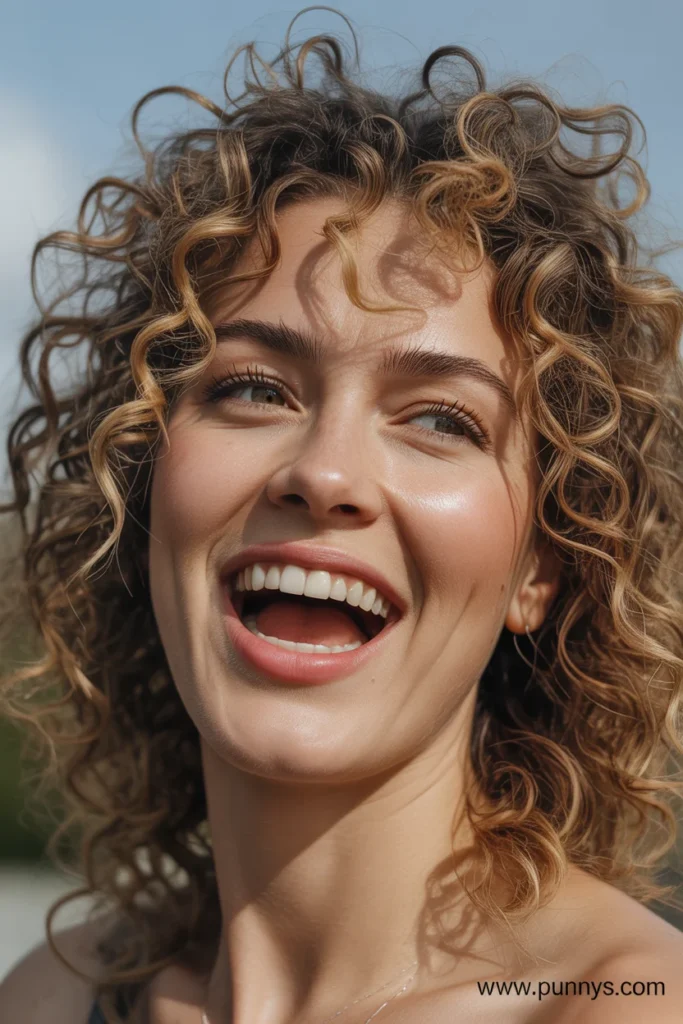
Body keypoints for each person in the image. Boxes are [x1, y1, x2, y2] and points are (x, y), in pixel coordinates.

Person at [1, 8, 683, 1023]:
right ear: (141, 480)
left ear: (543, 564)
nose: (324, 475)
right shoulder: (51, 997)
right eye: (255, 389)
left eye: (442, 420)